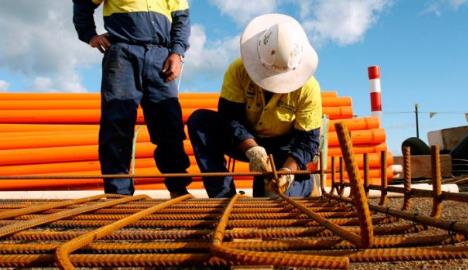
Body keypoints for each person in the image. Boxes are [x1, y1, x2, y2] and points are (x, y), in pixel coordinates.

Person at [187, 14, 322, 198]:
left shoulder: (308, 88)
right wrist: (252, 148)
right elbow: (229, 116)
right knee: (200, 121)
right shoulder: (238, 71)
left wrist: (287, 172)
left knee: (272, 196)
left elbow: (307, 141)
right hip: (246, 139)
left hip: (284, 150)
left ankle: (304, 183)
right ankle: (222, 196)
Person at [73, 0, 192, 197]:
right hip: (123, 53)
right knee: (117, 122)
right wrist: (89, 35)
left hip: (161, 55)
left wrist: (177, 53)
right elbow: (82, 4)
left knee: (169, 124)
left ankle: (178, 187)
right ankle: (118, 193)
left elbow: (181, 19)